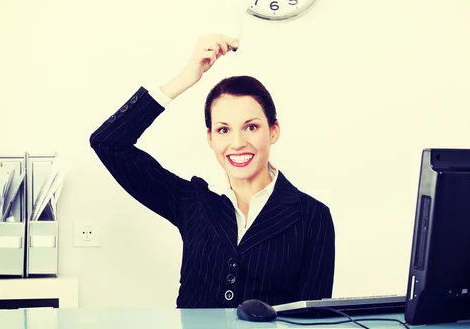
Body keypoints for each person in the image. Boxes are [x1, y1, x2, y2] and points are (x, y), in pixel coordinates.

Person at [89, 34, 335, 309]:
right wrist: (185, 77)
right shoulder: (190, 201)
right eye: (223, 130)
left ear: (273, 131)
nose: (237, 143)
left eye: (251, 127)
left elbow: (314, 322)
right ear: (210, 138)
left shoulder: (313, 216)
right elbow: (107, 143)